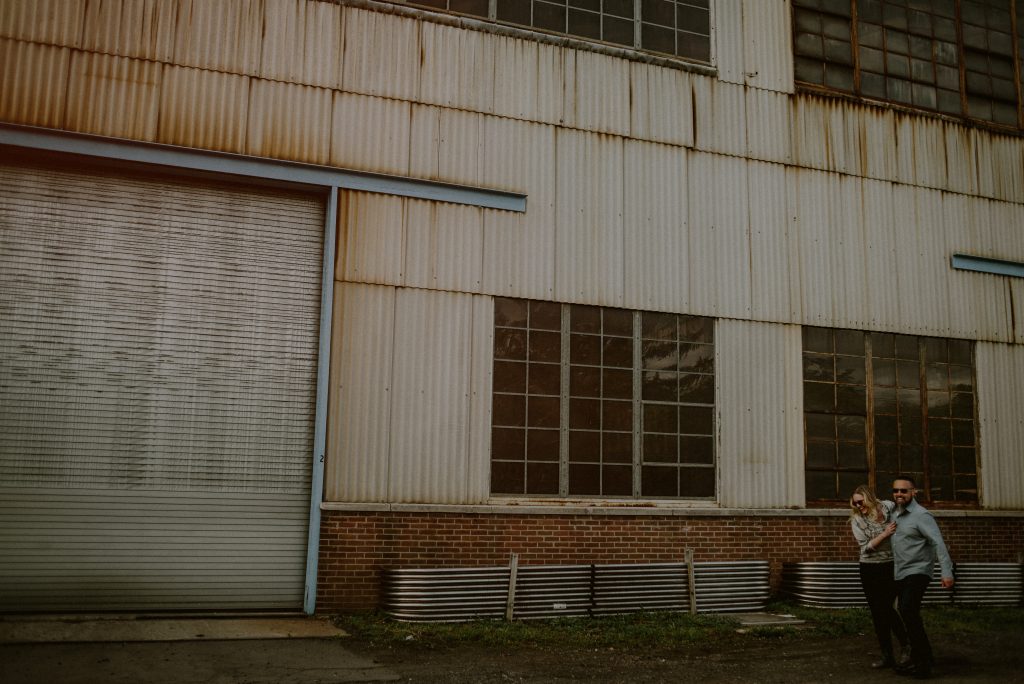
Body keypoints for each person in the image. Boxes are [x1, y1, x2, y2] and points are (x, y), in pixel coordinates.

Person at [891, 475, 955, 679]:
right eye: (896, 491)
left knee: (908, 610)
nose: (899, 494)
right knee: (907, 613)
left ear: (913, 492)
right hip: (900, 572)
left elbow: (938, 543)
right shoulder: (894, 514)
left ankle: (923, 664)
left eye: (904, 490)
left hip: (918, 571)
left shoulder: (922, 515)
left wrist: (946, 572)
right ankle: (923, 655)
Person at [849, 485, 909, 669]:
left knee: (886, 608)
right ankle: (887, 655)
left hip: (890, 565)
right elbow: (865, 547)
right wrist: (884, 534)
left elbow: (906, 511)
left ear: (870, 498)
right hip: (869, 568)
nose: (859, 506)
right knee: (878, 611)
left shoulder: (888, 507)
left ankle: (907, 647)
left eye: (861, 501)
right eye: (855, 503)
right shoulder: (857, 520)